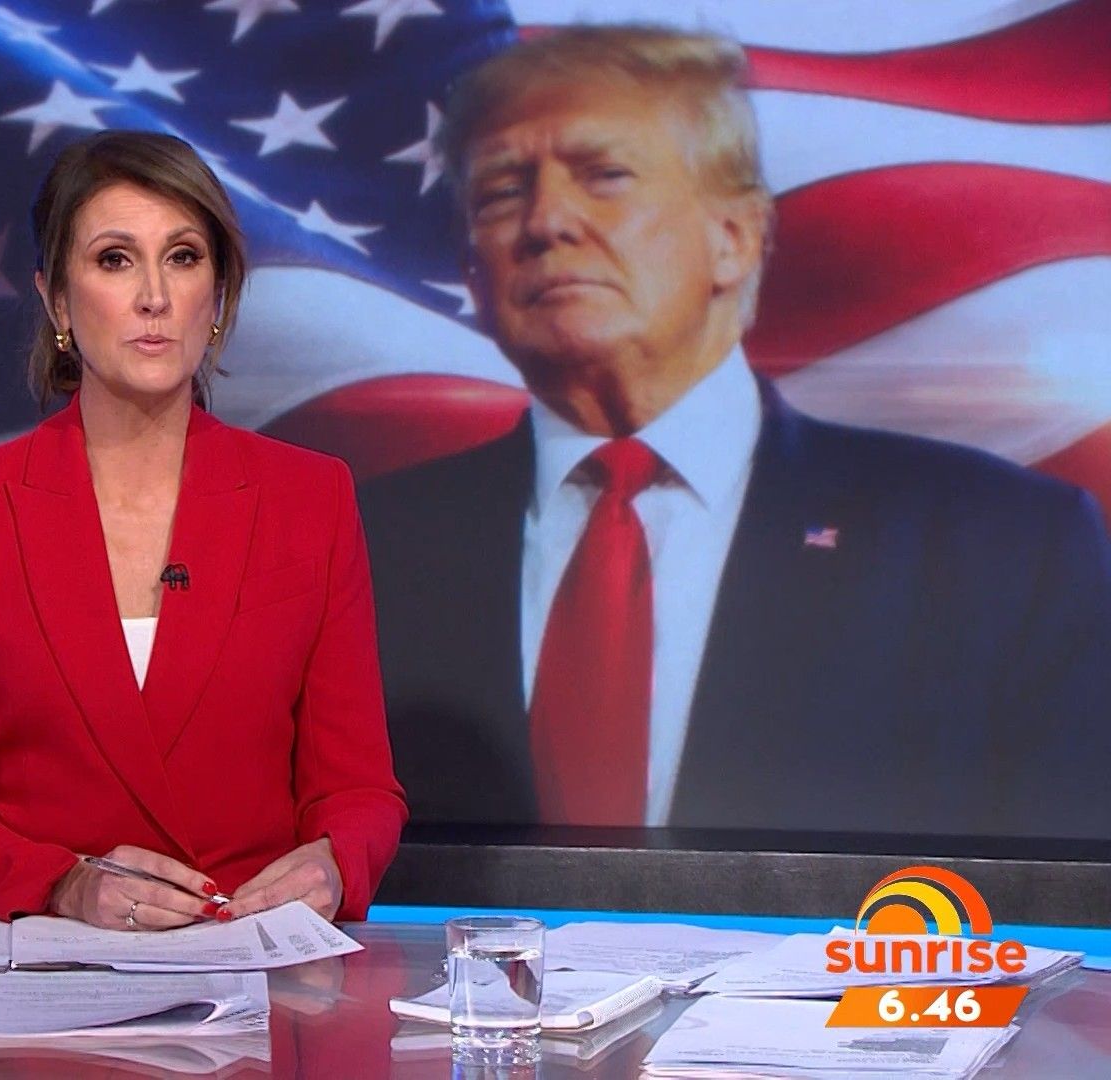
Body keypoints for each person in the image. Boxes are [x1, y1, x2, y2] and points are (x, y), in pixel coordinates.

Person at [360, 25, 1111, 838]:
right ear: (473, 272)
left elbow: (1060, 881)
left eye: (604, 175)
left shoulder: (1000, 546)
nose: (546, 220)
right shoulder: (365, 547)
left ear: (736, 238)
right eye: (502, 193)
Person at [0, 130, 407, 927]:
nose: (154, 295)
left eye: (183, 257)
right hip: (40, 967)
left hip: (245, 960)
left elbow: (358, 789)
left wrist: (334, 861)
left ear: (217, 297)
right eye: (115, 259)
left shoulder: (310, 499)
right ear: (58, 300)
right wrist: (64, 885)